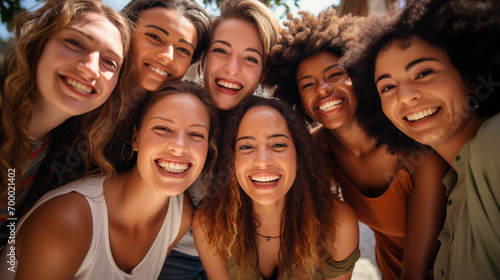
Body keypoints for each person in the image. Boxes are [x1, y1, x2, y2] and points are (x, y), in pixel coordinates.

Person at [267, 9, 449, 279]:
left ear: (359, 76)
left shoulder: (413, 146)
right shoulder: (315, 150)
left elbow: (417, 269)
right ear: (298, 99)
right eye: (308, 85)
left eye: (334, 74)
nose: (322, 89)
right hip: (389, 271)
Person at [0, 80, 219, 280]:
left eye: (196, 135)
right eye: (162, 128)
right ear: (135, 138)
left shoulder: (180, 215)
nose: (180, 146)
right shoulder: (67, 222)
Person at [344, 0, 500, 279]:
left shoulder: (494, 142)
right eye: (388, 87)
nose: (405, 96)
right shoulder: (454, 183)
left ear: (469, 78)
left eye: (424, 72)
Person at [161, 1, 281, 279]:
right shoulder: (173, 105)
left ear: (263, 72)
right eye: (220, 51)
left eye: (250, 58)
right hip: (175, 254)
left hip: (239, 255)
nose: (232, 69)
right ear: (202, 59)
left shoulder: (272, 125)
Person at [193, 96, 360, 280]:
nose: (263, 161)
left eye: (278, 145)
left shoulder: (339, 223)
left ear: (298, 157)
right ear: (232, 162)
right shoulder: (208, 223)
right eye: (247, 146)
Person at [0, 0, 130, 230]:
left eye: (109, 62)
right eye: (74, 42)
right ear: (39, 44)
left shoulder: (68, 158)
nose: (91, 67)